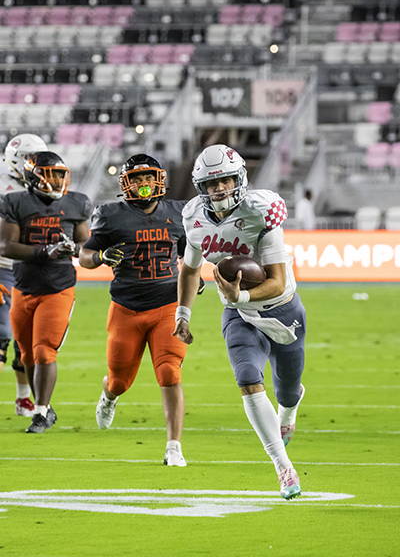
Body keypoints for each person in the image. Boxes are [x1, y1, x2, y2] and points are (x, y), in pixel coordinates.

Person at [173, 144, 306, 500]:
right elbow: (189, 269)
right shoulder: (194, 218)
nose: (220, 189)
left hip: (282, 311)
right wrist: (183, 314)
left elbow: (277, 280)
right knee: (248, 378)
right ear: (201, 186)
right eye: (212, 183)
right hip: (240, 316)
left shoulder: (261, 212)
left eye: (227, 180)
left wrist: (241, 295)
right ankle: (283, 466)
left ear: (240, 178)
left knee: (288, 388)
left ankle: (289, 409)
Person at [79, 153, 199, 467]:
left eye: (149, 178)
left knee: (170, 373)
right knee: (119, 380)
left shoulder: (179, 211)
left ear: (159, 179)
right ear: (126, 183)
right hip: (126, 308)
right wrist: (102, 256)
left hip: (167, 306)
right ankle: (109, 396)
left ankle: (174, 446)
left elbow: (190, 255)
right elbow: (84, 256)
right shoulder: (111, 214)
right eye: (138, 179)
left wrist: (193, 278)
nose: (144, 184)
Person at [0, 151, 91, 433]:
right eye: (50, 173)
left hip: (58, 288)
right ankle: (44, 408)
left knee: (43, 351)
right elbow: (6, 246)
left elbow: (85, 245)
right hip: (24, 287)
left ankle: (40, 412)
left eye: (61, 173)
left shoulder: (76, 203)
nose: (57, 179)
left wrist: (71, 249)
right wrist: (44, 250)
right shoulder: (15, 202)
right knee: (26, 355)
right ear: (32, 176)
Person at [0, 133, 48, 417]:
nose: (37, 165)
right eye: (31, 160)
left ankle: (23, 398)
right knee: (2, 337)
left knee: (25, 340)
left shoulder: (42, 181)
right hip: (4, 267)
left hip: (30, 268)